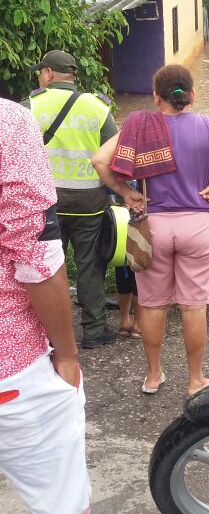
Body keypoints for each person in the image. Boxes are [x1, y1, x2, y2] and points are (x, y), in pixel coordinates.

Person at [0, 98, 109, 514]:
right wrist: (66, 353)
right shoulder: (9, 122)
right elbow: (38, 260)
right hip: (13, 366)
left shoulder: (32, 107)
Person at [92, 66, 209, 396]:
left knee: (153, 305)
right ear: (191, 95)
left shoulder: (139, 126)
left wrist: (125, 192)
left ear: (156, 97)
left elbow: (99, 160)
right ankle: (195, 380)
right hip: (198, 225)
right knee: (193, 306)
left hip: (152, 226)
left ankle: (153, 376)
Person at [24, 50, 119, 350]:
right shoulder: (98, 107)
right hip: (89, 203)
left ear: (49, 73)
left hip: (46, 204)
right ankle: (94, 331)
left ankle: (49, 336)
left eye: (41, 72)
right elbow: (116, 153)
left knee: (49, 268)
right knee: (89, 265)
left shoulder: (31, 106)